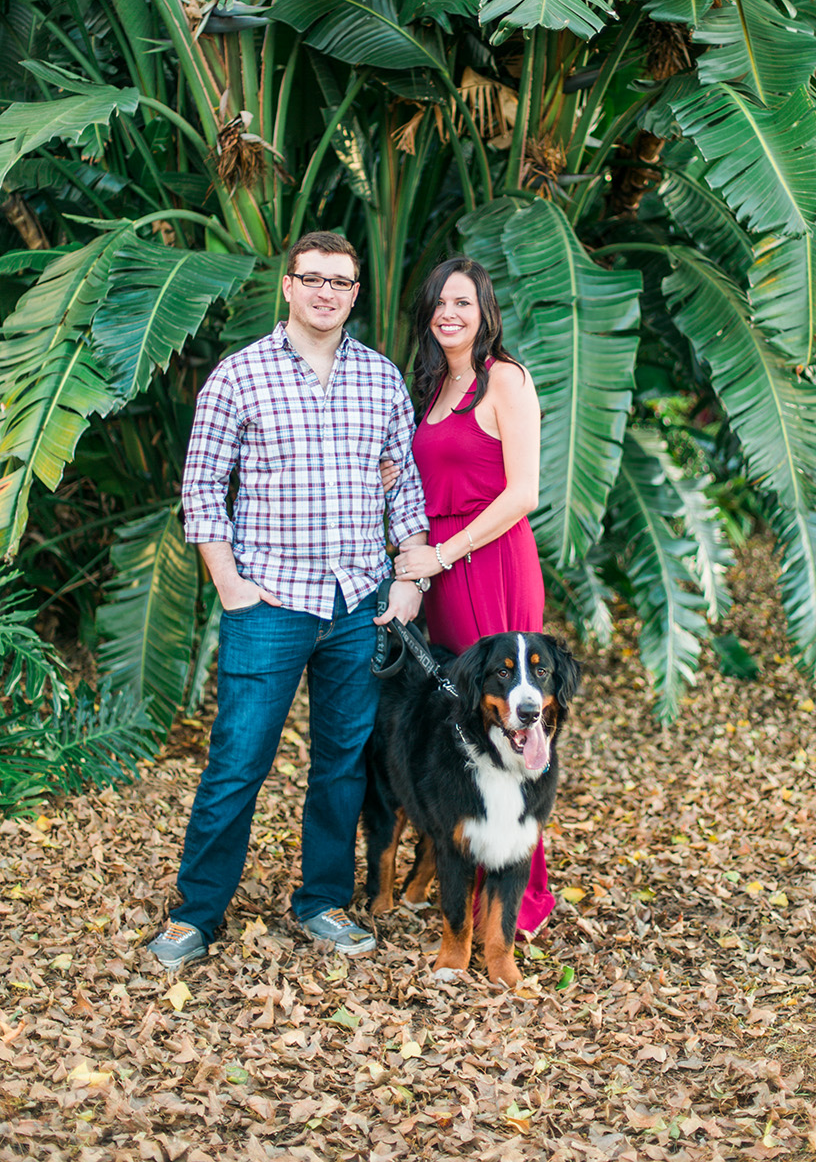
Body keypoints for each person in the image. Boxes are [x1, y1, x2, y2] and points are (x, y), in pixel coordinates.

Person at [147, 231, 429, 968]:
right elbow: (202, 490)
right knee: (238, 759)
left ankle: (323, 902)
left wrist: (409, 577)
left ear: (355, 294)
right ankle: (197, 912)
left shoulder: (380, 379)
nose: (327, 293)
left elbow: (405, 491)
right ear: (289, 286)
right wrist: (229, 585)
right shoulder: (239, 377)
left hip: (357, 603)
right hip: (268, 602)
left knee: (339, 763)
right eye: (313, 279)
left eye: (341, 282)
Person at [387, 256, 554, 935]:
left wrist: (445, 554)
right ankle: (464, 867)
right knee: (461, 725)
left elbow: (523, 492)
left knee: (513, 722)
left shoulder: (503, 380)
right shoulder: (434, 386)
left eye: (463, 301)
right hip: (441, 571)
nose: (449, 313)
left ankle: (521, 896)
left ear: (486, 310)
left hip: (491, 563)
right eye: (438, 302)